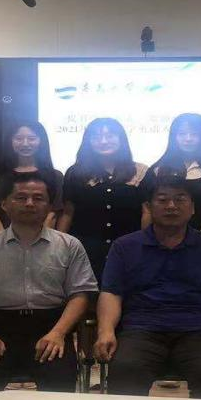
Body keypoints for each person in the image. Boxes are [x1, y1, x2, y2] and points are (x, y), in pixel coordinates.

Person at [94, 173, 201, 400]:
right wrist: (105, 331)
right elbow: (111, 293)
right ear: (148, 207)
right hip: (141, 330)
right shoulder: (125, 246)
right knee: (126, 369)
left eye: (180, 199)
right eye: (163, 199)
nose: (172, 206)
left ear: (192, 208)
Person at [0, 172, 97, 400]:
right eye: (21, 197)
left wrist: (59, 333)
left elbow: (80, 294)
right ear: (4, 204)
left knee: (59, 386)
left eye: (38, 198)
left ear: (49, 205)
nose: (29, 203)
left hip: (50, 326)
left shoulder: (69, 245)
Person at [57, 118, 148, 281]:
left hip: (129, 249)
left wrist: (145, 244)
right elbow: (68, 213)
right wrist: (58, 246)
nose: (104, 141)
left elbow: (146, 212)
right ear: (88, 141)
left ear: (121, 139)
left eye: (110, 136)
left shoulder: (139, 171)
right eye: (97, 137)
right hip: (85, 251)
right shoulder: (75, 172)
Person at [142, 112, 201, 233]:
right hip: (164, 238)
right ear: (174, 137)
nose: (188, 138)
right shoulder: (158, 168)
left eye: (194, 134)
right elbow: (148, 210)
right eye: (182, 134)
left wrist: (199, 238)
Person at [0, 121, 65, 232]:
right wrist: (4, 240)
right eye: (19, 139)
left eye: (31, 139)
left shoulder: (55, 176)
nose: (25, 144)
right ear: (10, 141)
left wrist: (41, 240)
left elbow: (53, 213)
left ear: (41, 141)